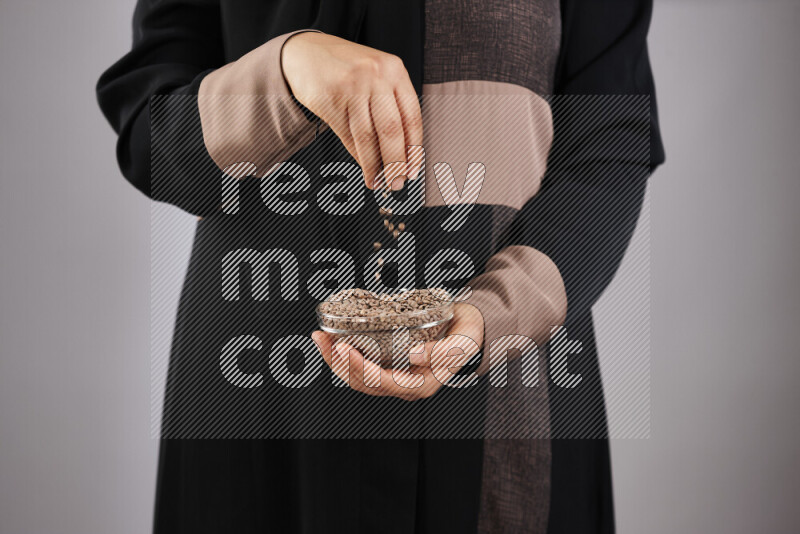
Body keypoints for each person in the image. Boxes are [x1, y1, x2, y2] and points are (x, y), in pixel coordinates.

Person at [97, 0, 664, 532]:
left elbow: (609, 138)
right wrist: (287, 70)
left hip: (511, 387)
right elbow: (152, 134)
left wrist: (496, 312)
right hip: (265, 397)